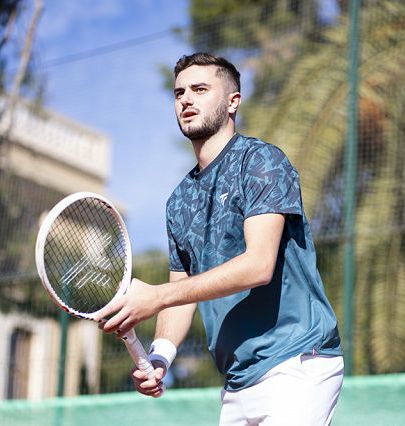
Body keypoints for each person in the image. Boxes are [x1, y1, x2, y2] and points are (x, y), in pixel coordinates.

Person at [95, 52, 344, 425]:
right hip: (237, 384)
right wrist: (160, 357)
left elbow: (259, 265)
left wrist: (156, 296)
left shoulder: (261, 162)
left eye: (200, 89)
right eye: (179, 92)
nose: (186, 99)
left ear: (233, 101)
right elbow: (182, 292)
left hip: (297, 363)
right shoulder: (178, 202)